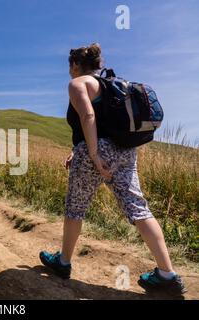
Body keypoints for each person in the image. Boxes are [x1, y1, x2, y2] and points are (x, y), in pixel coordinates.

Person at [39, 43, 187, 296]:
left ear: (75, 65)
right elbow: (107, 124)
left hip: (96, 154)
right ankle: (167, 274)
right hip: (125, 152)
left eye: (70, 66)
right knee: (138, 208)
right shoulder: (113, 85)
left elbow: (88, 117)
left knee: (76, 207)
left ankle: (63, 262)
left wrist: (93, 155)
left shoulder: (78, 84)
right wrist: (78, 149)